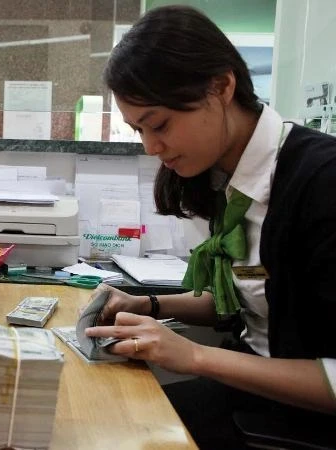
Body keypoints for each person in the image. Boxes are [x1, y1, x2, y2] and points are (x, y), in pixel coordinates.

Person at [84, 5, 336, 449]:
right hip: (251, 393)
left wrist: (195, 355)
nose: (151, 147)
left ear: (221, 86)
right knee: (101, 410)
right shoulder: (224, 176)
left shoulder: (322, 182)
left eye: (159, 125)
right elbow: (247, 296)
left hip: (300, 422)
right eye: (138, 130)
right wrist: (147, 305)